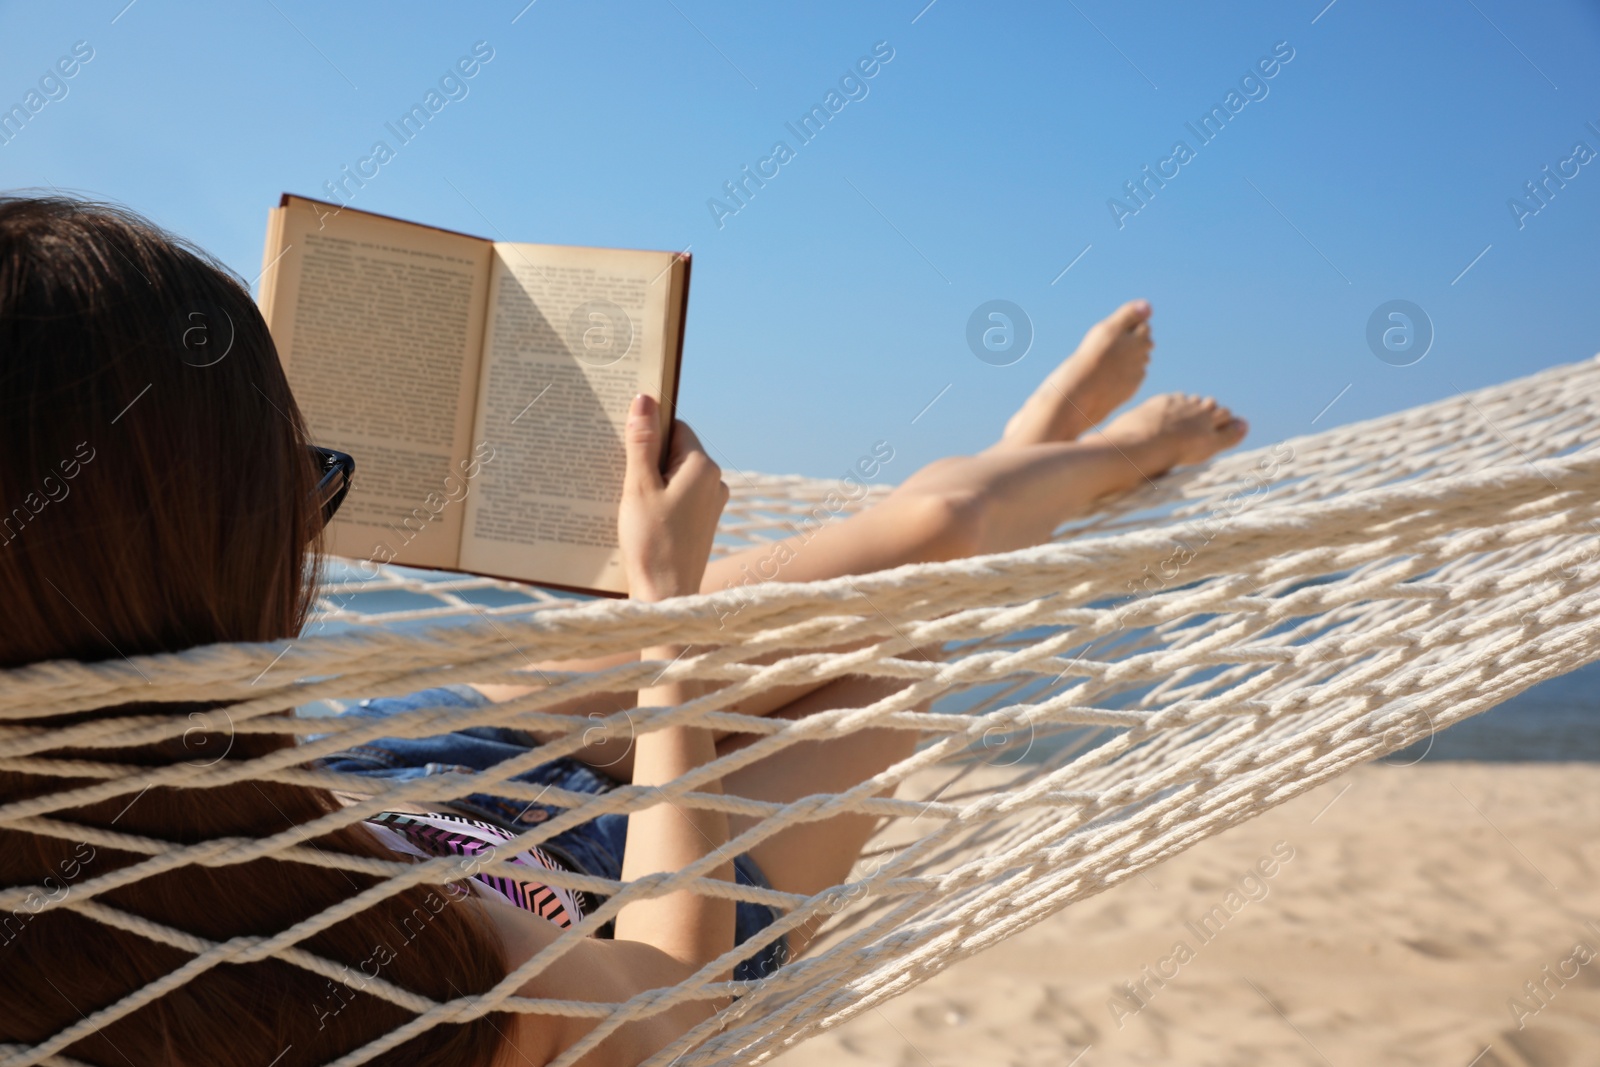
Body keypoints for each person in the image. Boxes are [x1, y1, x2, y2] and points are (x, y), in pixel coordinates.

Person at [0, 195, 1246, 1067]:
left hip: (384, 756)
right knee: (892, 650)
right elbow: (675, 1002)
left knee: (912, 554)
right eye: (308, 485)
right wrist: (666, 625)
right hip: (631, 875)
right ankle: (1074, 457)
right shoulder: (359, 992)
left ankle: (1038, 452)